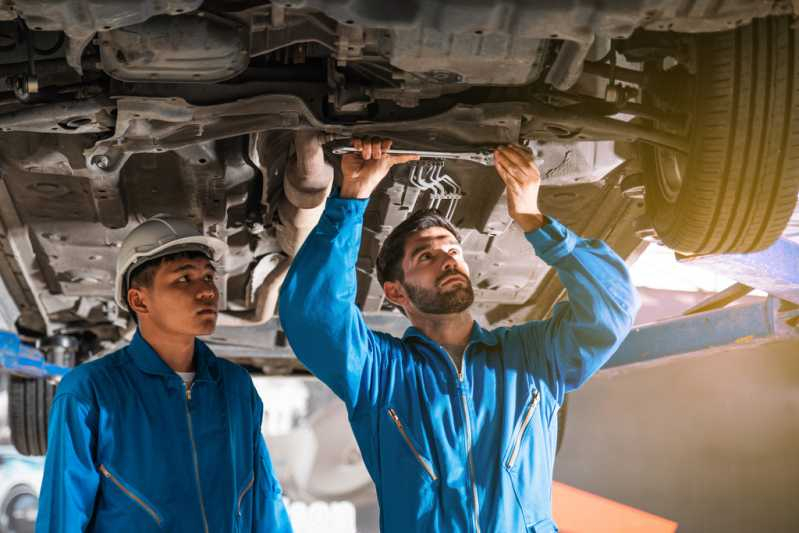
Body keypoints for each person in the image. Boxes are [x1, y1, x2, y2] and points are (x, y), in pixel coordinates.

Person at [279, 138, 640, 532]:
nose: (448, 260)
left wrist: (534, 221)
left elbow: (613, 305)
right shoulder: (381, 375)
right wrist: (351, 201)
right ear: (396, 292)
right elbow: (316, 317)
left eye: (453, 250)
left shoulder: (532, 358)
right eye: (426, 257)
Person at [37, 217, 293, 533]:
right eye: (184, 279)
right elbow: (62, 517)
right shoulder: (90, 392)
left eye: (209, 277)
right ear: (139, 300)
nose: (207, 292)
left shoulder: (235, 387)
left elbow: (264, 500)